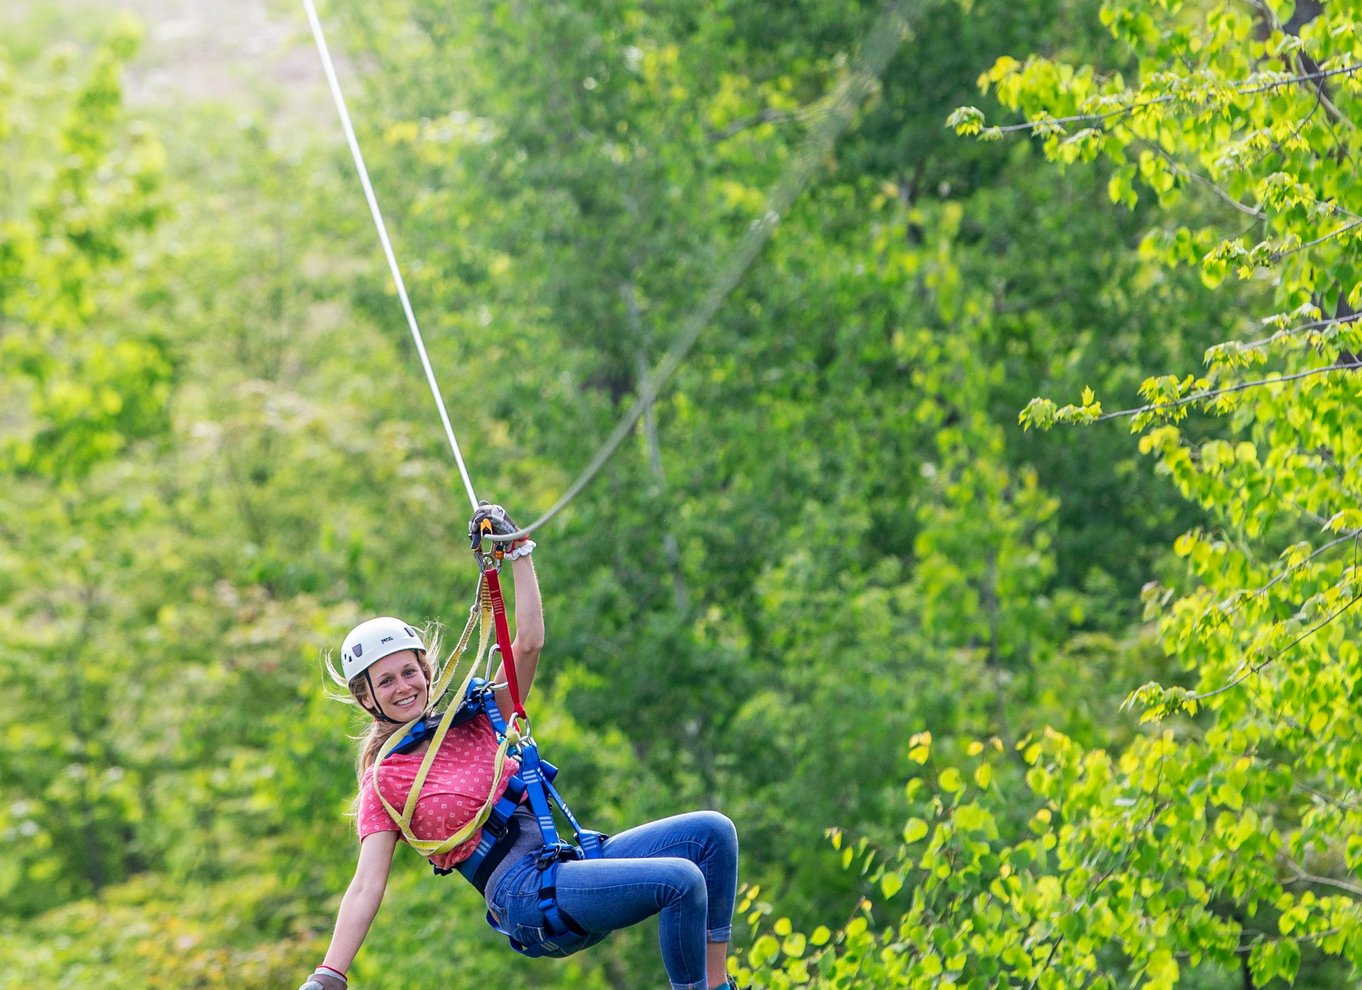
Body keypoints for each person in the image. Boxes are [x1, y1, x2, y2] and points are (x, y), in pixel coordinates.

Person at [297, 502, 742, 990]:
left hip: (566, 863)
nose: (403, 687)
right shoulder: (386, 782)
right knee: (679, 880)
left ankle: (718, 984)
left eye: (409, 672)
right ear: (367, 698)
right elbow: (365, 885)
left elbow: (526, 646)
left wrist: (518, 552)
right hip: (525, 895)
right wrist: (330, 974)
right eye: (386, 682)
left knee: (712, 834)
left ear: (426, 671)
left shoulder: (476, 718)